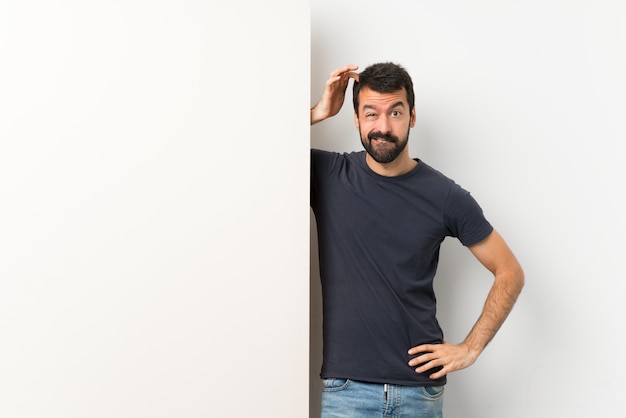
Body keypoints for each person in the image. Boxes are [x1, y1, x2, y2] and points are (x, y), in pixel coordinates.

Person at [309, 62, 524, 417]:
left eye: (395, 112)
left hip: (418, 393)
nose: (383, 126)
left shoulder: (445, 196)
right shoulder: (329, 175)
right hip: (346, 391)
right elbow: (256, 149)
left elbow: (510, 272)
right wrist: (317, 112)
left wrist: (470, 349)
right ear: (356, 119)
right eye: (371, 113)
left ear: (412, 117)